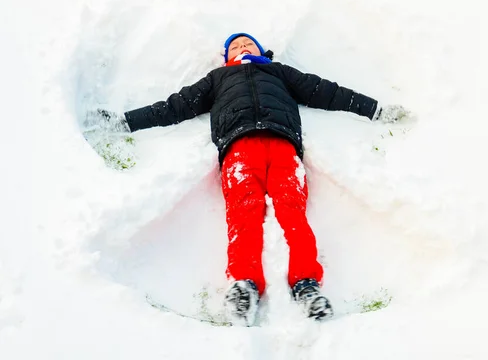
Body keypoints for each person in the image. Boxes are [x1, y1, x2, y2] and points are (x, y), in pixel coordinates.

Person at [88, 32, 408, 326]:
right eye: (236, 46)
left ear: (261, 51)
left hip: (283, 148)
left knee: (292, 211)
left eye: (248, 44)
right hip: (239, 151)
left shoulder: (279, 72)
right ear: (226, 56)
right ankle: (244, 285)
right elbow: (175, 106)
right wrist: (124, 122)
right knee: (244, 215)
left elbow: (326, 91)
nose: (243, 48)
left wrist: (375, 110)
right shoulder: (217, 79)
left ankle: (306, 284)